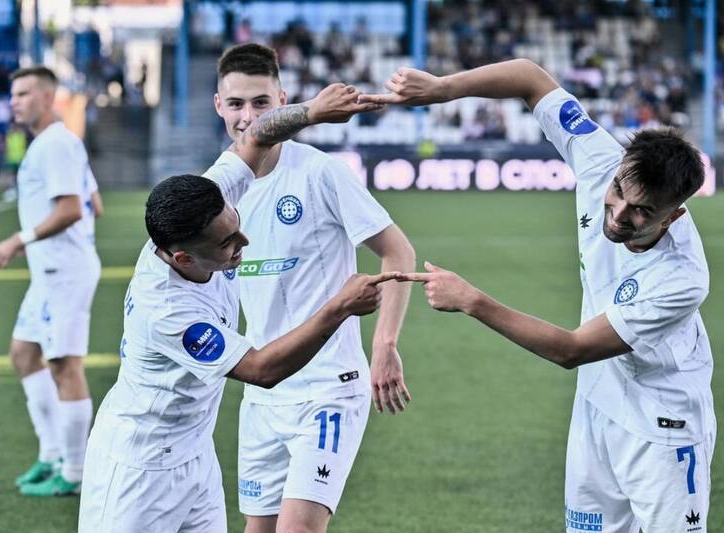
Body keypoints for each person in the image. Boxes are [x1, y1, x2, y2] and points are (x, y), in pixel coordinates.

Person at [362, 60, 716, 532]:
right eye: (618, 191)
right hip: (597, 404)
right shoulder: (600, 159)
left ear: (672, 217)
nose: (617, 214)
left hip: (662, 428)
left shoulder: (681, 278)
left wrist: (472, 301)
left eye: (641, 211)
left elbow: (572, 349)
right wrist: (443, 88)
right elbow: (531, 78)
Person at [78, 84, 393, 532]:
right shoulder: (168, 309)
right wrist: (337, 308)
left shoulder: (205, 205)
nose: (244, 241)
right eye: (228, 243)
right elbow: (261, 370)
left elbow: (255, 137)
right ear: (183, 259)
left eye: (237, 224)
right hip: (140, 468)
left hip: (196, 455)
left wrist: (312, 111)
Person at [208, 43, 416, 533]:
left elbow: (398, 252)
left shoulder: (320, 172)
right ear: (218, 105)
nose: (248, 117)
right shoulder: (218, 190)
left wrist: (384, 344)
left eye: (261, 102)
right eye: (236, 104)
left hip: (328, 389)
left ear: (283, 100)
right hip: (262, 392)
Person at [0, 66, 101, 497]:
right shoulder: (56, 143)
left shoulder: (55, 144)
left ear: (49, 97)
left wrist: (19, 239)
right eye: (12, 94)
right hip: (51, 270)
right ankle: (51, 453)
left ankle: (74, 472)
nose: (14, 101)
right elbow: (94, 203)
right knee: (23, 354)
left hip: (64, 271)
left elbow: (72, 208)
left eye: (24, 93)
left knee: (63, 366)